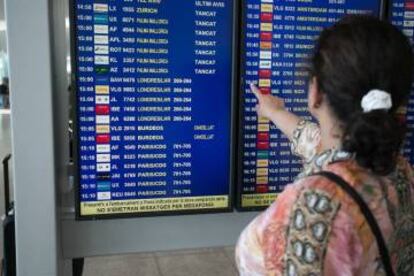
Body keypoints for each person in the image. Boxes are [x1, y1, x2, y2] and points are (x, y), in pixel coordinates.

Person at [236, 16, 414, 276]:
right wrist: (275, 113)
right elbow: (327, 150)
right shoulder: (401, 173)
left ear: (315, 91)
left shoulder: (312, 207)